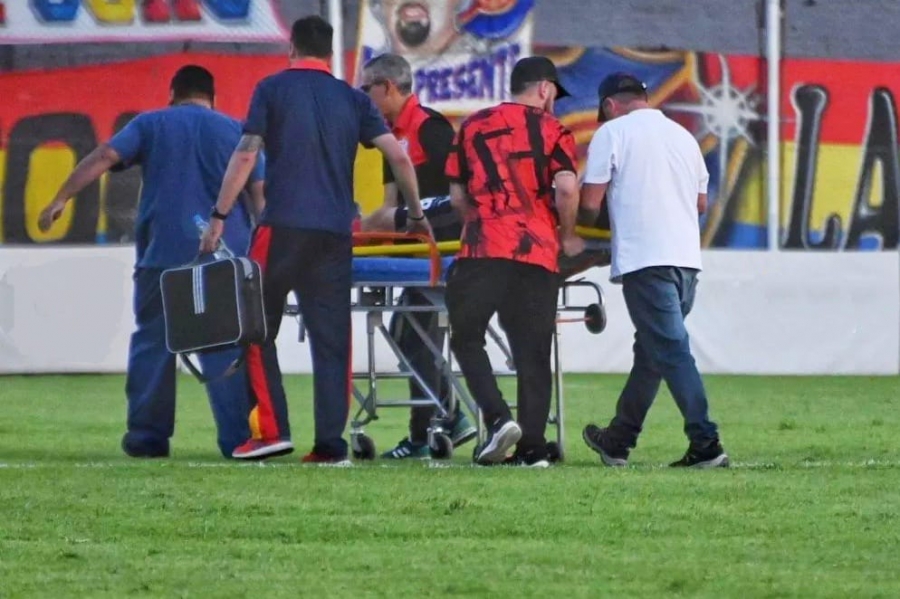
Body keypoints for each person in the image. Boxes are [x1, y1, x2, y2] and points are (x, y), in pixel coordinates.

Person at [200, 15, 430, 464]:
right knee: (332, 342)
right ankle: (330, 444)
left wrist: (219, 215)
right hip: (334, 233)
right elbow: (399, 157)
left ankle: (271, 432)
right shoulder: (353, 98)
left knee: (256, 328)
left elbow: (246, 155)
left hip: (282, 226)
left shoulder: (272, 89)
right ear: (329, 53)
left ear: (292, 47)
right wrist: (418, 215)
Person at [37, 65, 265, 459]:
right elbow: (260, 193)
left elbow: (106, 155)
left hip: (163, 255)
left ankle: (147, 437)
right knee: (225, 344)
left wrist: (61, 198)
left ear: (172, 94)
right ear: (213, 98)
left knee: (154, 343)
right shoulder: (237, 130)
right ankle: (237, 439)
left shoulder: (151, 123)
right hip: (224, 257)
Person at [579, 72, 729, 469]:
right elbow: (700, 204)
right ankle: (617, 441)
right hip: (686, 262)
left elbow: (590, 203)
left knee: (672, 352)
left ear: (610, 105)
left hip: (647, 261)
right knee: (651, 355)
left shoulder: (612, 133)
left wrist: (582, 231)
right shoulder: (684, 137)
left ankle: (706, 443)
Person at [444, 56, 582, 468]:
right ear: (544, 88)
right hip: (537, 250)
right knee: (533, 350)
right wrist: (567, 234)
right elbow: (566, 187)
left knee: (466, 336)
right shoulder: (555, 130)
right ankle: (533, 449)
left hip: (484, 247)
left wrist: (480, 222)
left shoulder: (471, 125)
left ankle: (498, 418)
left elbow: (456, 197)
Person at [357, 52, 477, 459]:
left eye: (366, 89)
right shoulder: (389, 139)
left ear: (387, 87)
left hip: (445, 251)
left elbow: (461, 196)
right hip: (420, 253)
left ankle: (425, 434)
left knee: (415, 334)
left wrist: (396, 219)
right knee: (406, 333)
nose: (362, 97)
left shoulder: (429, 128)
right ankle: (448, 418)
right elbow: (389, 209)